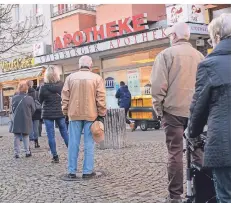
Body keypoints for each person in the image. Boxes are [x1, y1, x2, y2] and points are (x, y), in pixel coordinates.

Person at [150, 22, 204, 203]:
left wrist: (159, 110)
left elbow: (158, 87)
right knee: (197, 150)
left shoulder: (165, 55)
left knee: (174, 153)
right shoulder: (200, 56)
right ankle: (201, 191)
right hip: (196, 111)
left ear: (174, 36)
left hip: (172, 111)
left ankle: (175, 196)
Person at [186, 13, 231, 203]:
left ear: (218, 37)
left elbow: (199, 108)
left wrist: (192, 132)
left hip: (224, 143)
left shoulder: (209, 65)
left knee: (226, 195)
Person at [62, 55, 106, 179]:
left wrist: (65, 112)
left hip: (74, 114)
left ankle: (71, 171)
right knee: (89, 143)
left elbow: (65, 98)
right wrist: (101, 113)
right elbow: (101, 98)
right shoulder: (97, 78)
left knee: (73, 143)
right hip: (91, 115)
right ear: (91, 65)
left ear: (79, 65)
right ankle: (87, 171)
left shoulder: (70, 78)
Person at [39, 66, 68, 163]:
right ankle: (72, 151)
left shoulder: (43, 87)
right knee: (64, 132)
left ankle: (55, 156)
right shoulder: (62, 85)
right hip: (60, 112)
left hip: (48, 113)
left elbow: (40, 100)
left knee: (50, 135)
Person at [11, 81, 36, 158]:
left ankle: (16, 153)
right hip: (26, 118)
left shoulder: (14, 98)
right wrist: (29, 115)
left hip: (16, 119)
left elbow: (12, 109)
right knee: (26, 135)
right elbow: (34, 109)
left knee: (16, 136)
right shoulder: (29, 98)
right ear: (26, 89)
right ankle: (27, 152)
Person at [27, 80, 41, 148]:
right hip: (36, 112)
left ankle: (29, 144)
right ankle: (36, 143)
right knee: (36, 128)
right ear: (32, 85)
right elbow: (40, 101)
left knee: (29, 128)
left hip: (28, 113)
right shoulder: (37, 93)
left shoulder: (26, 94)